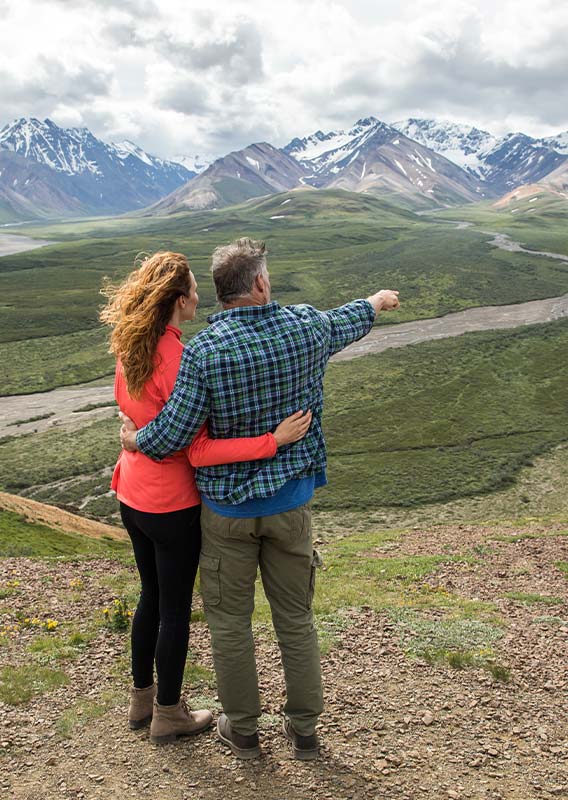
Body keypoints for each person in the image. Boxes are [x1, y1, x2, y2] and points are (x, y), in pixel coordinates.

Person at [120, 238, 400, 759]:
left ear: (221, 292)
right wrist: (376, 301)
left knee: (230, 624)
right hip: (291, 504)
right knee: (295, 618)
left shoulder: (203, 352)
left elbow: (175, 434)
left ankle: (244, 730)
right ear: (261, 284)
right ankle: (305, 729)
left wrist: (136, 439)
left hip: (225, 513)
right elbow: (346, 321)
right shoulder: (306, 327)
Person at [100, 251, 312, 745]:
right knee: (174, 609)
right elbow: (195, 447)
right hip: (171, 502)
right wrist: (272, 442)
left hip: (131, 493)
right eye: (194, 288)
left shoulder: (131, 345)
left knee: (150, 597)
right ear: (179, 300)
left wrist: (134, 439)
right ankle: (169, 713)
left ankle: (141, 700)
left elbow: (134, 420)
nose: (200, 296)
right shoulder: (180, 358)